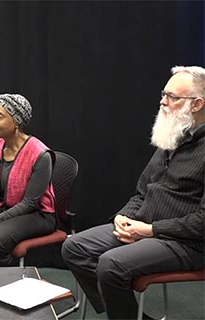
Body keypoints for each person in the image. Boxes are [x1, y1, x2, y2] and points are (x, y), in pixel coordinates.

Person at [61, 66, 205, 320]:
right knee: (74, 247)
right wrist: (124, 216)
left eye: (172, 96)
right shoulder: (174, 136)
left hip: (187, 243)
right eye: (164, 93)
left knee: (110, 264)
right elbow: (142, 191)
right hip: (147, 227)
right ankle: (124, 311)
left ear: (197, 104)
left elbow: (202, 223)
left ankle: (121, 310)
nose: (163, 101)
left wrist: (150, 231)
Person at [0, 93, 56, 266]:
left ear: (16, 122)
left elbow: (29, 203)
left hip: (38, 215)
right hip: (6, 209)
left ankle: (6, 285)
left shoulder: (40, 155)